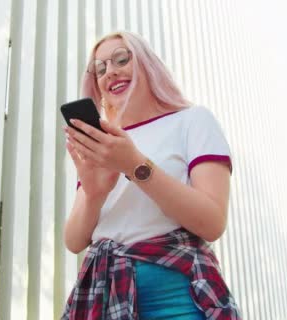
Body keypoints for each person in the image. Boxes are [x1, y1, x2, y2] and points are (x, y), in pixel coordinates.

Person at [61, 31, 242, 320]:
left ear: (147, 64)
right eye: (100, 68)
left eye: (122, 59)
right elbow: (74, 241)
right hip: (104, 297)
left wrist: (134, 164)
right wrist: (95, 193)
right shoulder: (104, 142)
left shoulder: (192, 121)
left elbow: (212, 223)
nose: (111, 72)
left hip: (177, 298)